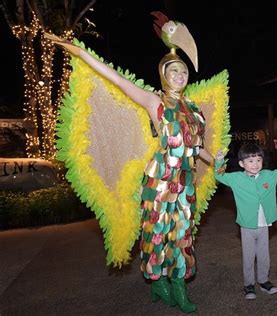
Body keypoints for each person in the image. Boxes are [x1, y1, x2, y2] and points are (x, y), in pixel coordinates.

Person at [46, 14, 220, 313]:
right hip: (159, 180)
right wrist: (81, 52)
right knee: (156, 233)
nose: (179, 75)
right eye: (173, 71)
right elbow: (116, 79)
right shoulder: (155, 102)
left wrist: (213, 161)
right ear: (164, 74)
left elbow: (196, 146)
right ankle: (158, 283)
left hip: (185, 182)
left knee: (183, 234)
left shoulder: (192, 109)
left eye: (182, 71)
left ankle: (179, 285)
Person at [214, 143, 277, 300]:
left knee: (264, 254)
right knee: (248, 255)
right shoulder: (236, 179)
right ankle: (248, 284)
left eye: (258, 160)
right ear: (242, 164)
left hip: (264, 224)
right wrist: (220, 161)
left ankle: (263, 281)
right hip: (247, 225)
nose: (255, 164)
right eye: (250, 161)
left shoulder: (268, 175)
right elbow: (219, 176)